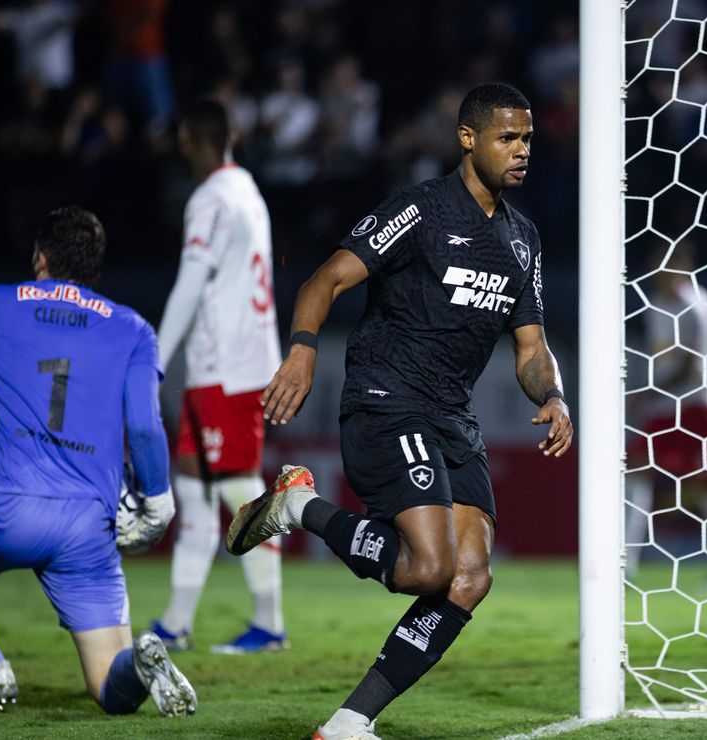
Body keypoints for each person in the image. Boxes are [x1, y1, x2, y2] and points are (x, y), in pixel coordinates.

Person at [226, 82, 573, 740]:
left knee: (469, 578)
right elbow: (324, 279)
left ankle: (349, 722)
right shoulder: (421, 210)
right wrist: (302, 352)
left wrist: (552, 394)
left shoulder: (522, 241)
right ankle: (301, 507)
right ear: (467, 138)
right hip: (386, 400)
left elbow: (531, 348)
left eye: (527, 139)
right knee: (427, 569)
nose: (522, 150)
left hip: (451, 418)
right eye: (507, 138)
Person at [0, 206, 196, 715]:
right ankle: (136, 666)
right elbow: (143, 425)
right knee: (107, 686)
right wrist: (158, 500)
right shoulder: (133, 328)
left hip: (5, 509)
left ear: (40, 257)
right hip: (86, 526)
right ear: (95, 266)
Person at [150, 97, 286, 654]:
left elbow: (191, 279)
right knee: (196, 491)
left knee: (241, 493)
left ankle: (270, 623)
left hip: (227, 368)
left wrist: (156, 355)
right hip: (229, 363)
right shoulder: (249, 192)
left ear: (188, 139)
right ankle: (176, 621)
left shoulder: (210, 198)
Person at [626, 244, 707, 595]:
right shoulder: (656, 305)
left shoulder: (698, 308)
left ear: (682, 267)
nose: (658, 272)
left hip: (700, 406)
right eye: (653, 264)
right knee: (635, 472)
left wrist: (644, 394)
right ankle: (625, 564)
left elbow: (690, 369)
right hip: (664, 408)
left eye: (665, 265)